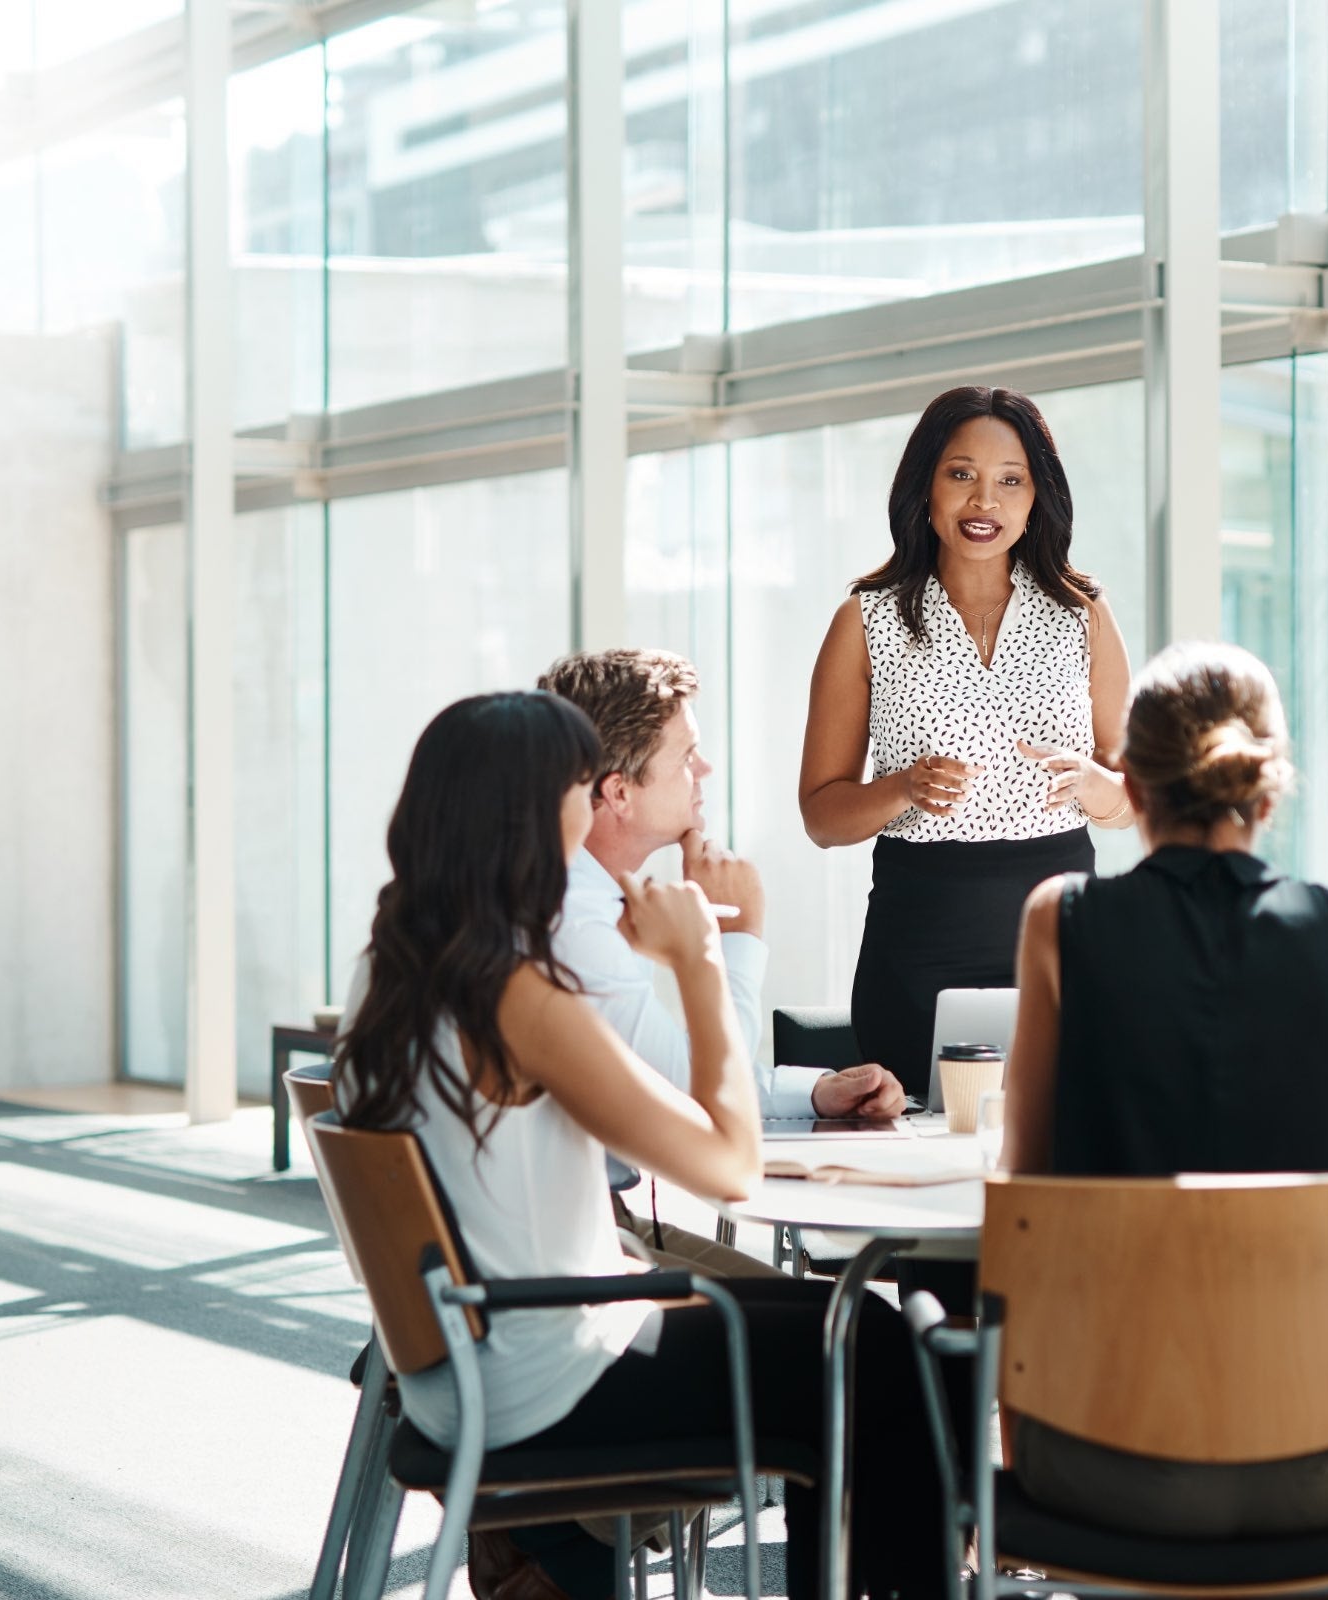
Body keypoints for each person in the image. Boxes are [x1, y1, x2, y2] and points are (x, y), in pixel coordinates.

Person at [333, 691, 947, 1600]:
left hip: (454, 1369)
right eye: (581, 790)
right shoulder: (517, 992)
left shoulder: (392, 970)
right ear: (541, 813)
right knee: (875, 1355)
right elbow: (729, 1167)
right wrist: (700, 959)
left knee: (854, 1337)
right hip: (551, 1379)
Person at [997, 641, 1328, 1538]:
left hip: (1101, 1465)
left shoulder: (1059, 920)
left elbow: (1025, 1200)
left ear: (1134, 788)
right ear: (1267, 793)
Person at [800, 385, 1136, 1100]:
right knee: (925, 1136)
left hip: (1062, 932)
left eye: (1011, 481)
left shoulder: (1084, 614)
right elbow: (821, 815)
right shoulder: (866, 621)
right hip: (919, 937)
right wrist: (900, 789)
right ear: (924, 488)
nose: (985, 501)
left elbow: (1137, 794)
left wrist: (1092, 784)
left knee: (1061, 1142)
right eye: (962, 475)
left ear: (1037, 496)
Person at [538, 649, 906, 1277]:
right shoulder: (575, 923)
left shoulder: (583, 900)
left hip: (578, 1243)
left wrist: (812, 1091)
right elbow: (705, 1106)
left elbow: (671, 1071)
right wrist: (734, 939)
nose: (704, 768)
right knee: (860, 1331)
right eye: (686, 756)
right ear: (619, 792)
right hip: (577, 1273)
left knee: (851, 1322)